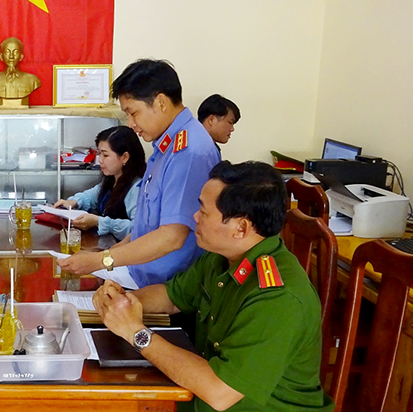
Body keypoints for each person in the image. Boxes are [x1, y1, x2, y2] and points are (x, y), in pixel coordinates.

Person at [93, 161, 333, 412]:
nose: (195, 217)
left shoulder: (278, 297)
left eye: (204, 212)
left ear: (240, 228)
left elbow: (220, 393)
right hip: (196, 396)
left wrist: (136, 333)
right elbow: (172, 296)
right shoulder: (223, 256)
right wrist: (125, 302)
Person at [58, 59, 220, 287]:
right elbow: (146, 226)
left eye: (133, 113)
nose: (131, 124)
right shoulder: (165, 145)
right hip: (142, 276)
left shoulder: (188, 151)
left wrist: (102, 260)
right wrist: (110, 255)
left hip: (168, 288)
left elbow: (172, 236)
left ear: (161, 102)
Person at [53, 126, 146, 240]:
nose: (100, 160)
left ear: (125, 157)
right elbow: (92, 195)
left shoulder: (136, 188)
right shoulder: (112, 179)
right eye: (99, 154)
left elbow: (136, 229)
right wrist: (73, 202)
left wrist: (98, 222)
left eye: (105, 155)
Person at [0, 37, 41, 102]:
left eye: (15, 52)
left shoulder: (32, 81)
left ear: (21, 56)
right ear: (1, 56)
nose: (11, 56)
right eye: (7, 52)